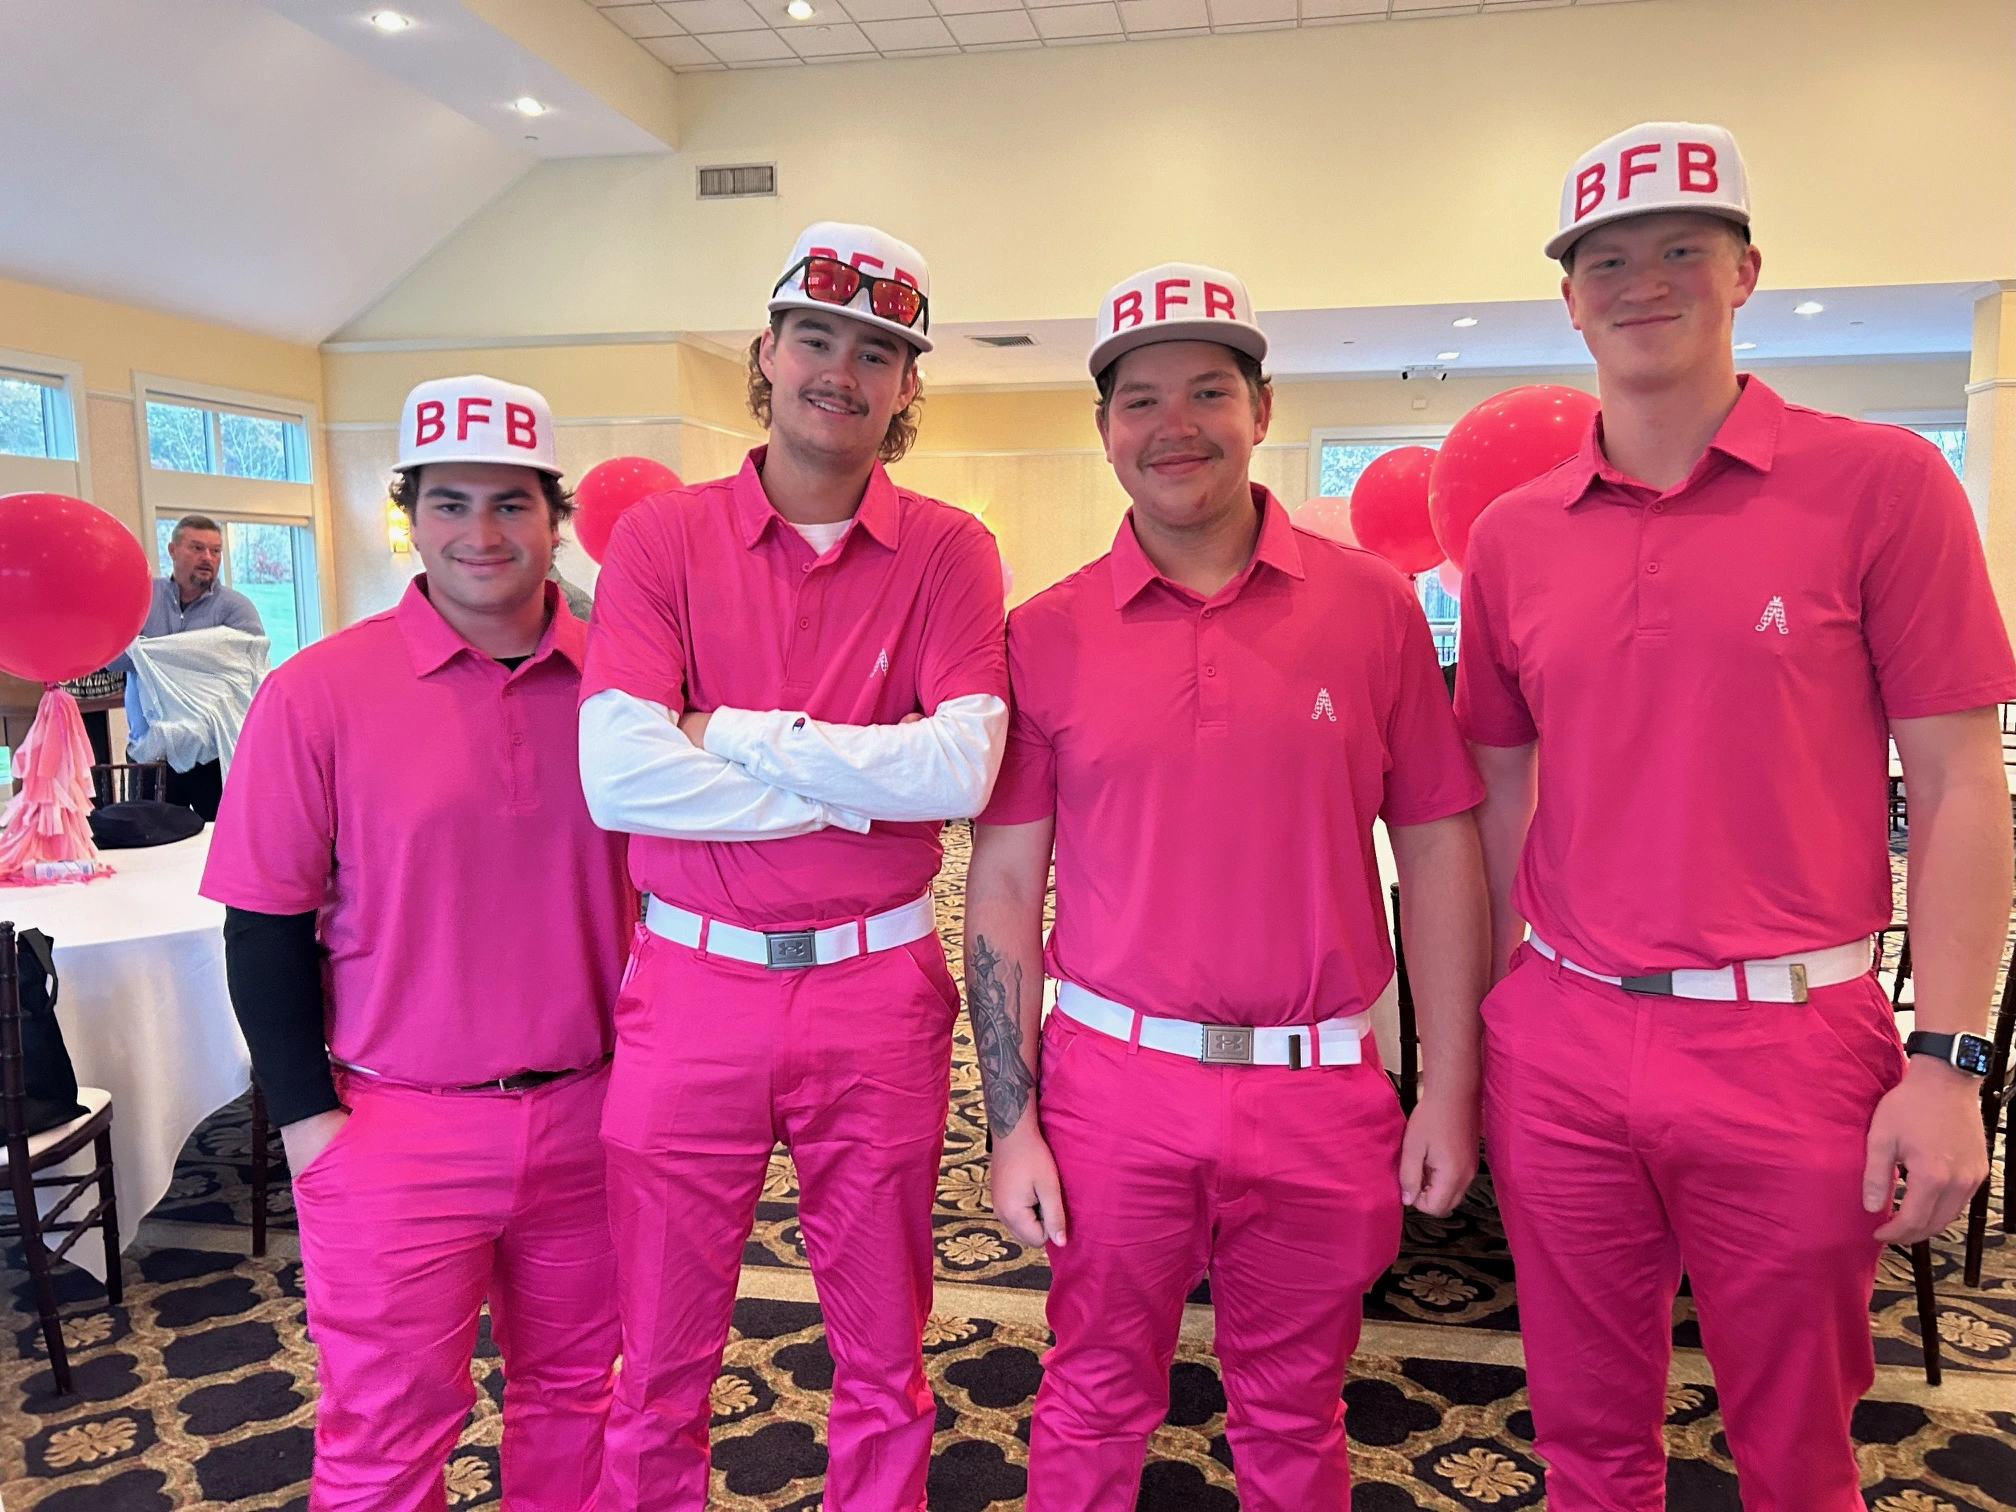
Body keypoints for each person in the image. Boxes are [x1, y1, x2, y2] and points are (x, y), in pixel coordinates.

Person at [1458, 121, 2016, 1509]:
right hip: (1567, 1034)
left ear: (1745, 271)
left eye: (1680, 250)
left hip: (1792, 1037)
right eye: (1606, 259)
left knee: (1797, 1451)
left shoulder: (1883, 483)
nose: (1641, 280)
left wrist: (1949, 1062)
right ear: (1569, 294)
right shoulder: (1515, 532)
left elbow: (1957, 781)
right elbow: (1506, 779)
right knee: (1584, 1440)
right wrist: (1507, 1003)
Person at [967, 262, 1490, 1510]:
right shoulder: (1046, 631)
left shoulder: (1373, 609)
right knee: (1093, 1390)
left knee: (1297, 1405)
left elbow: (1439, 855)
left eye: (1209, 390)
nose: (1174, 425)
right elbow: (1000, 891)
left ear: (1261, 409)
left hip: (1321, 1087)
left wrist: (1452, 1092)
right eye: (1139, 399)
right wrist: (1009, 1121)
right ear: (1104, 431)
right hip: (1111, 1090)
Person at [578, 221, 1009, 1510]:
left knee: (885, 1347)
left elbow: (962, 773)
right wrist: (849, 786)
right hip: (691, 989)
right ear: (765, 356)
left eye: (879, 350)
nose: (843, 369)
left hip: (877, 995)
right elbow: (620, 777)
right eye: (815, 337)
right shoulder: (662, 538)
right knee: (655, 1352)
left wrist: (743, 739)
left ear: (909, 385)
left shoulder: (950, 547)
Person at [201, 375, 635, 1511]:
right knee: (386, 1441)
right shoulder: (313, 694)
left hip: (596, 1118)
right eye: (449, 504)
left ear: (556, 517)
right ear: (410, 515)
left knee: (578, 1405)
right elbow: (263, 924)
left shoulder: (628, 692)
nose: (480, 534)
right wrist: (308, 1127)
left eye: (509, 504)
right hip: (395, 1127)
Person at [101, 514, 264, 817]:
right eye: (197, 548)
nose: (208, 558)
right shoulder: (141, 598)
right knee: (151, 841)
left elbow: (247, 671)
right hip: (152, 751)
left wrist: (151, 655)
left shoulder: (237, 608)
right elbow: (111, 657)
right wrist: (177, 658)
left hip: (212, 753)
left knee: (219, 841)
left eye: (215, 551)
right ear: (172, 550)